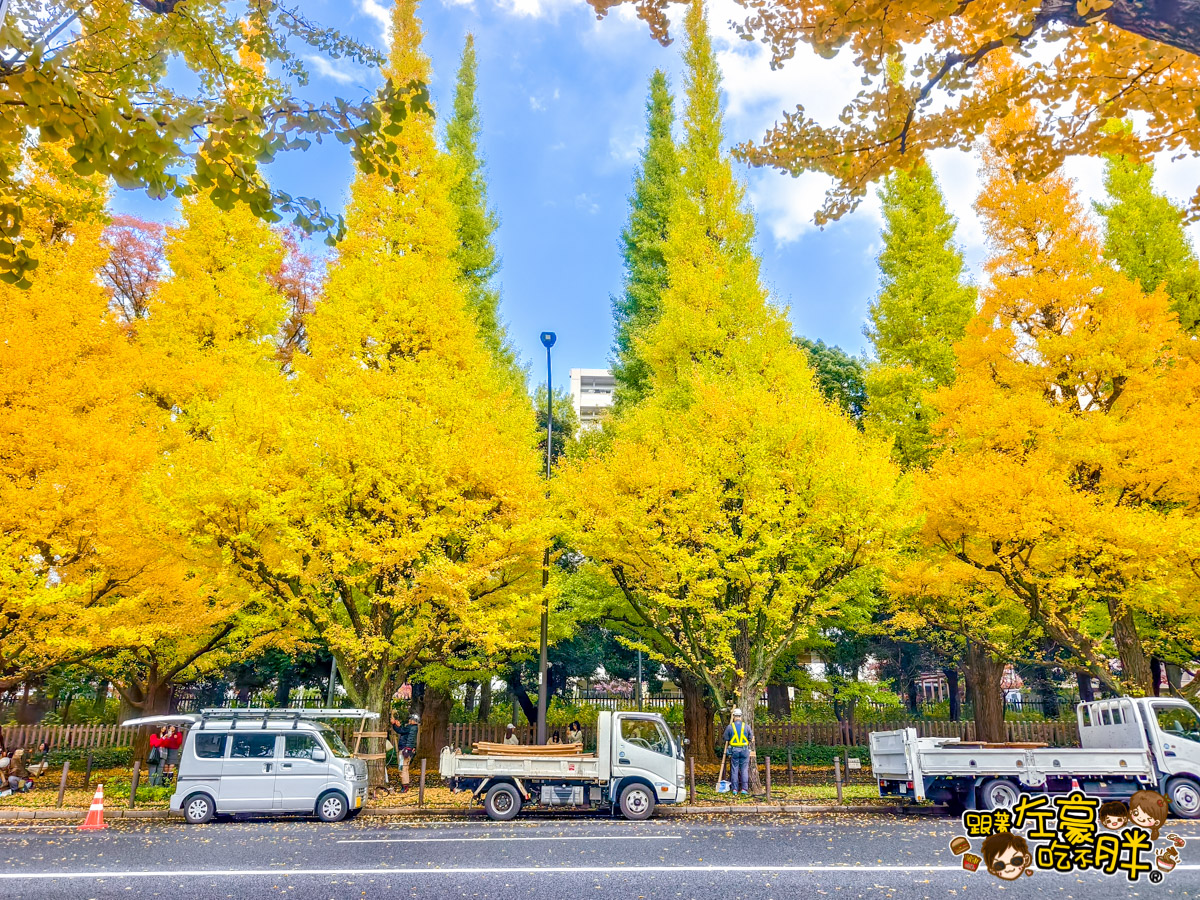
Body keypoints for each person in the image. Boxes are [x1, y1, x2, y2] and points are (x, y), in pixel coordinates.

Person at [722, 708, 753, 797]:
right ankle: (744, 789)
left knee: (734, 769)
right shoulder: (746, 726)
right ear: (741, 716)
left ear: (734, 716)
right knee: (744, 770)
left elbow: (726, 738)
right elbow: (750, 738)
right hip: (744, 750)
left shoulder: (730, 727)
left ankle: (735, 789)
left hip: (734, 750)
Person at [390, 712, 419, 793]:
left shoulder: (411, 727)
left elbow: (401, 730)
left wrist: (394, 724)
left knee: (403, 768)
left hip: (405, 750)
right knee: (404, 768)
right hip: (408, 750)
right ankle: (404, 785)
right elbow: (402, 730)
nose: (409, 720)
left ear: (413, 721)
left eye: (411, 719)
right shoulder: (413, 728)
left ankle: (405, 786)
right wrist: (396, 725)